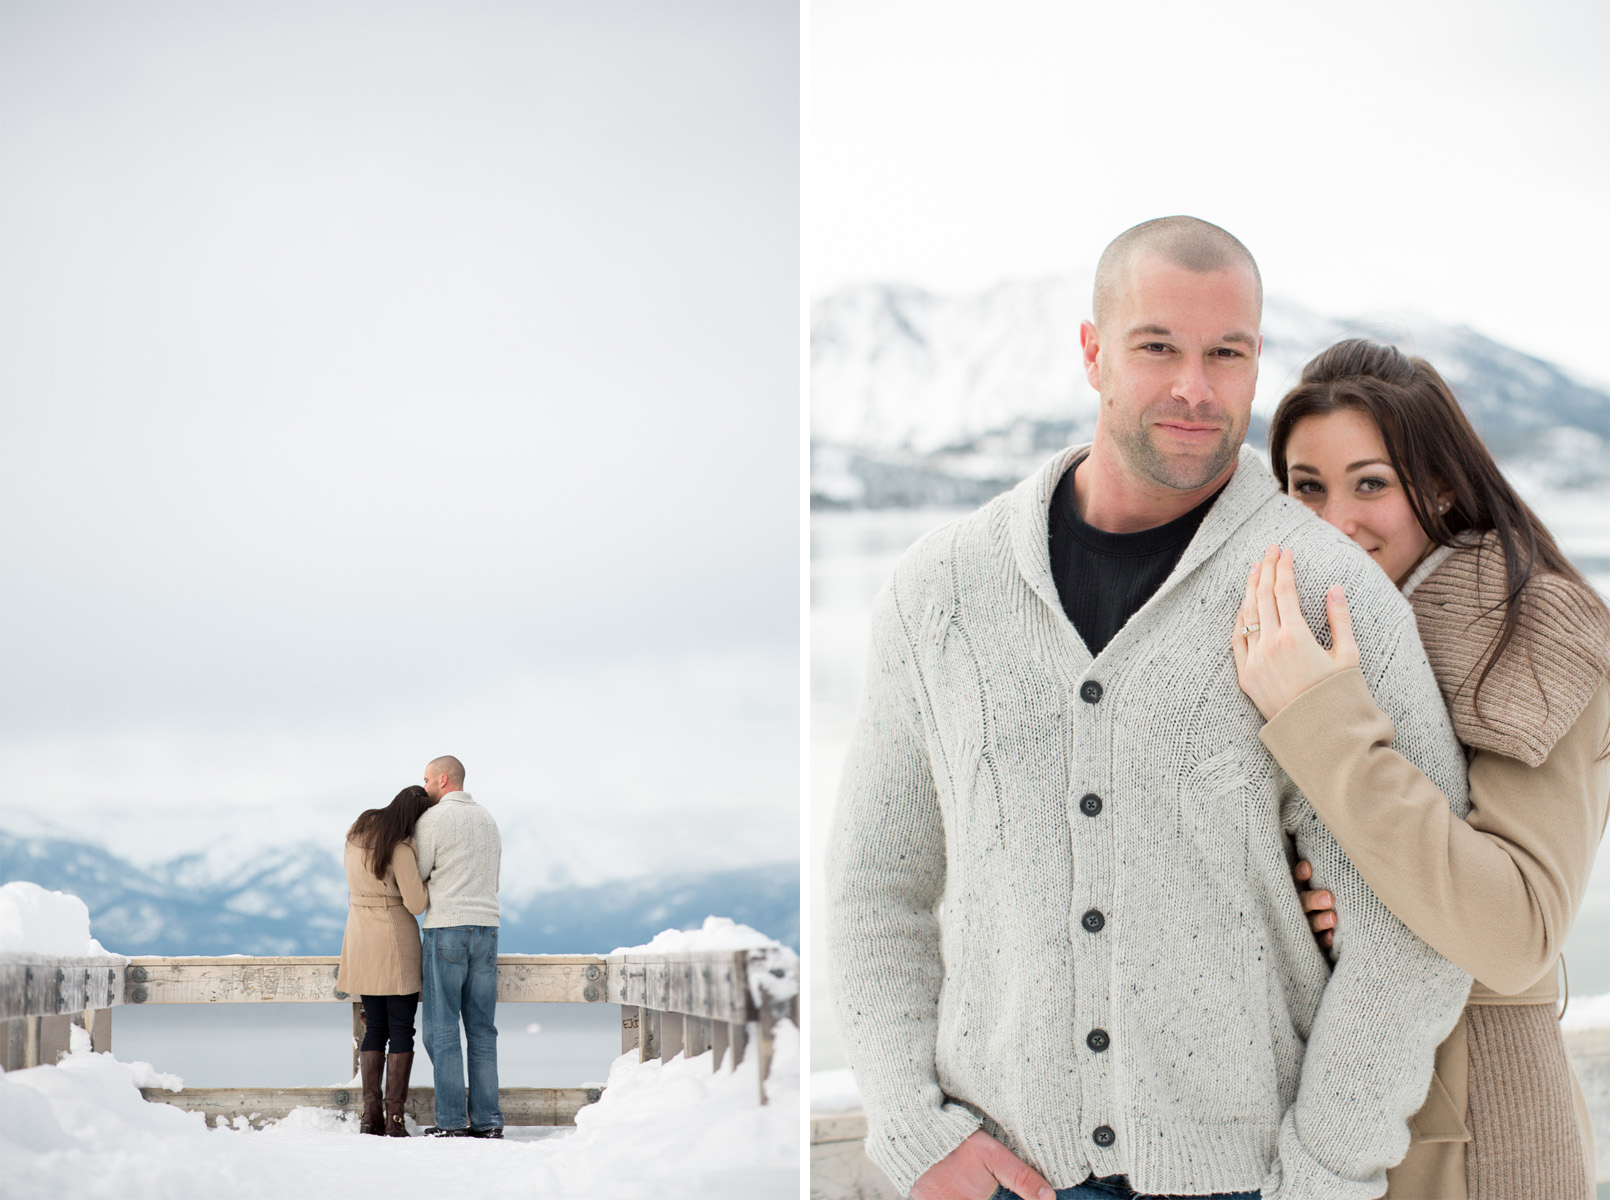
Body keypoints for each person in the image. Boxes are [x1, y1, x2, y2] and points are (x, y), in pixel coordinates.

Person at [826, 216, 1475, 1200]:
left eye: (1227, 353)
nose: (1193, 387)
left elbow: (1416, 928)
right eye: (1156, 347)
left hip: (1245, 1182)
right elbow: (876, 882)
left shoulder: (1327, 597)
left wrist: (1326, 1173)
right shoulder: (940, 591)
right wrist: (915, 1127)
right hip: (996, 1169)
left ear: (1258, 363)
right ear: (1092, 353)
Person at [1231, 338, 1610, 1200]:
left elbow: (1516, 933)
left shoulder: (1527, 630)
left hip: (1474, 1128)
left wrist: (1323, 730)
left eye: (1372, 483)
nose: (1335, 523)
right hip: (1317, 1112)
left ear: (1439, 485)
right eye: (1307, 487)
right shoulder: (1308, 629)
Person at [415, 754, 505, 1138]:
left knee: (442, 1027)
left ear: (444, 779)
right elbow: (495, 878)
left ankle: (451, 1121)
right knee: (482, 1029)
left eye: (427, 780)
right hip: (487, 929)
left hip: (446, 927)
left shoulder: (432, 820)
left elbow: (416, 874)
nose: (424, 787)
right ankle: (487, 1121)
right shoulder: (488, 819)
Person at [337, 784, 432, 1137]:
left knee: (374, 1027)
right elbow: (417, 903)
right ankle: (394, 1118)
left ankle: (369, 1115)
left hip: (360, 934)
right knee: (401, 1028)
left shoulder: (357, 833)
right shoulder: (401, 846)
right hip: (394, 936)